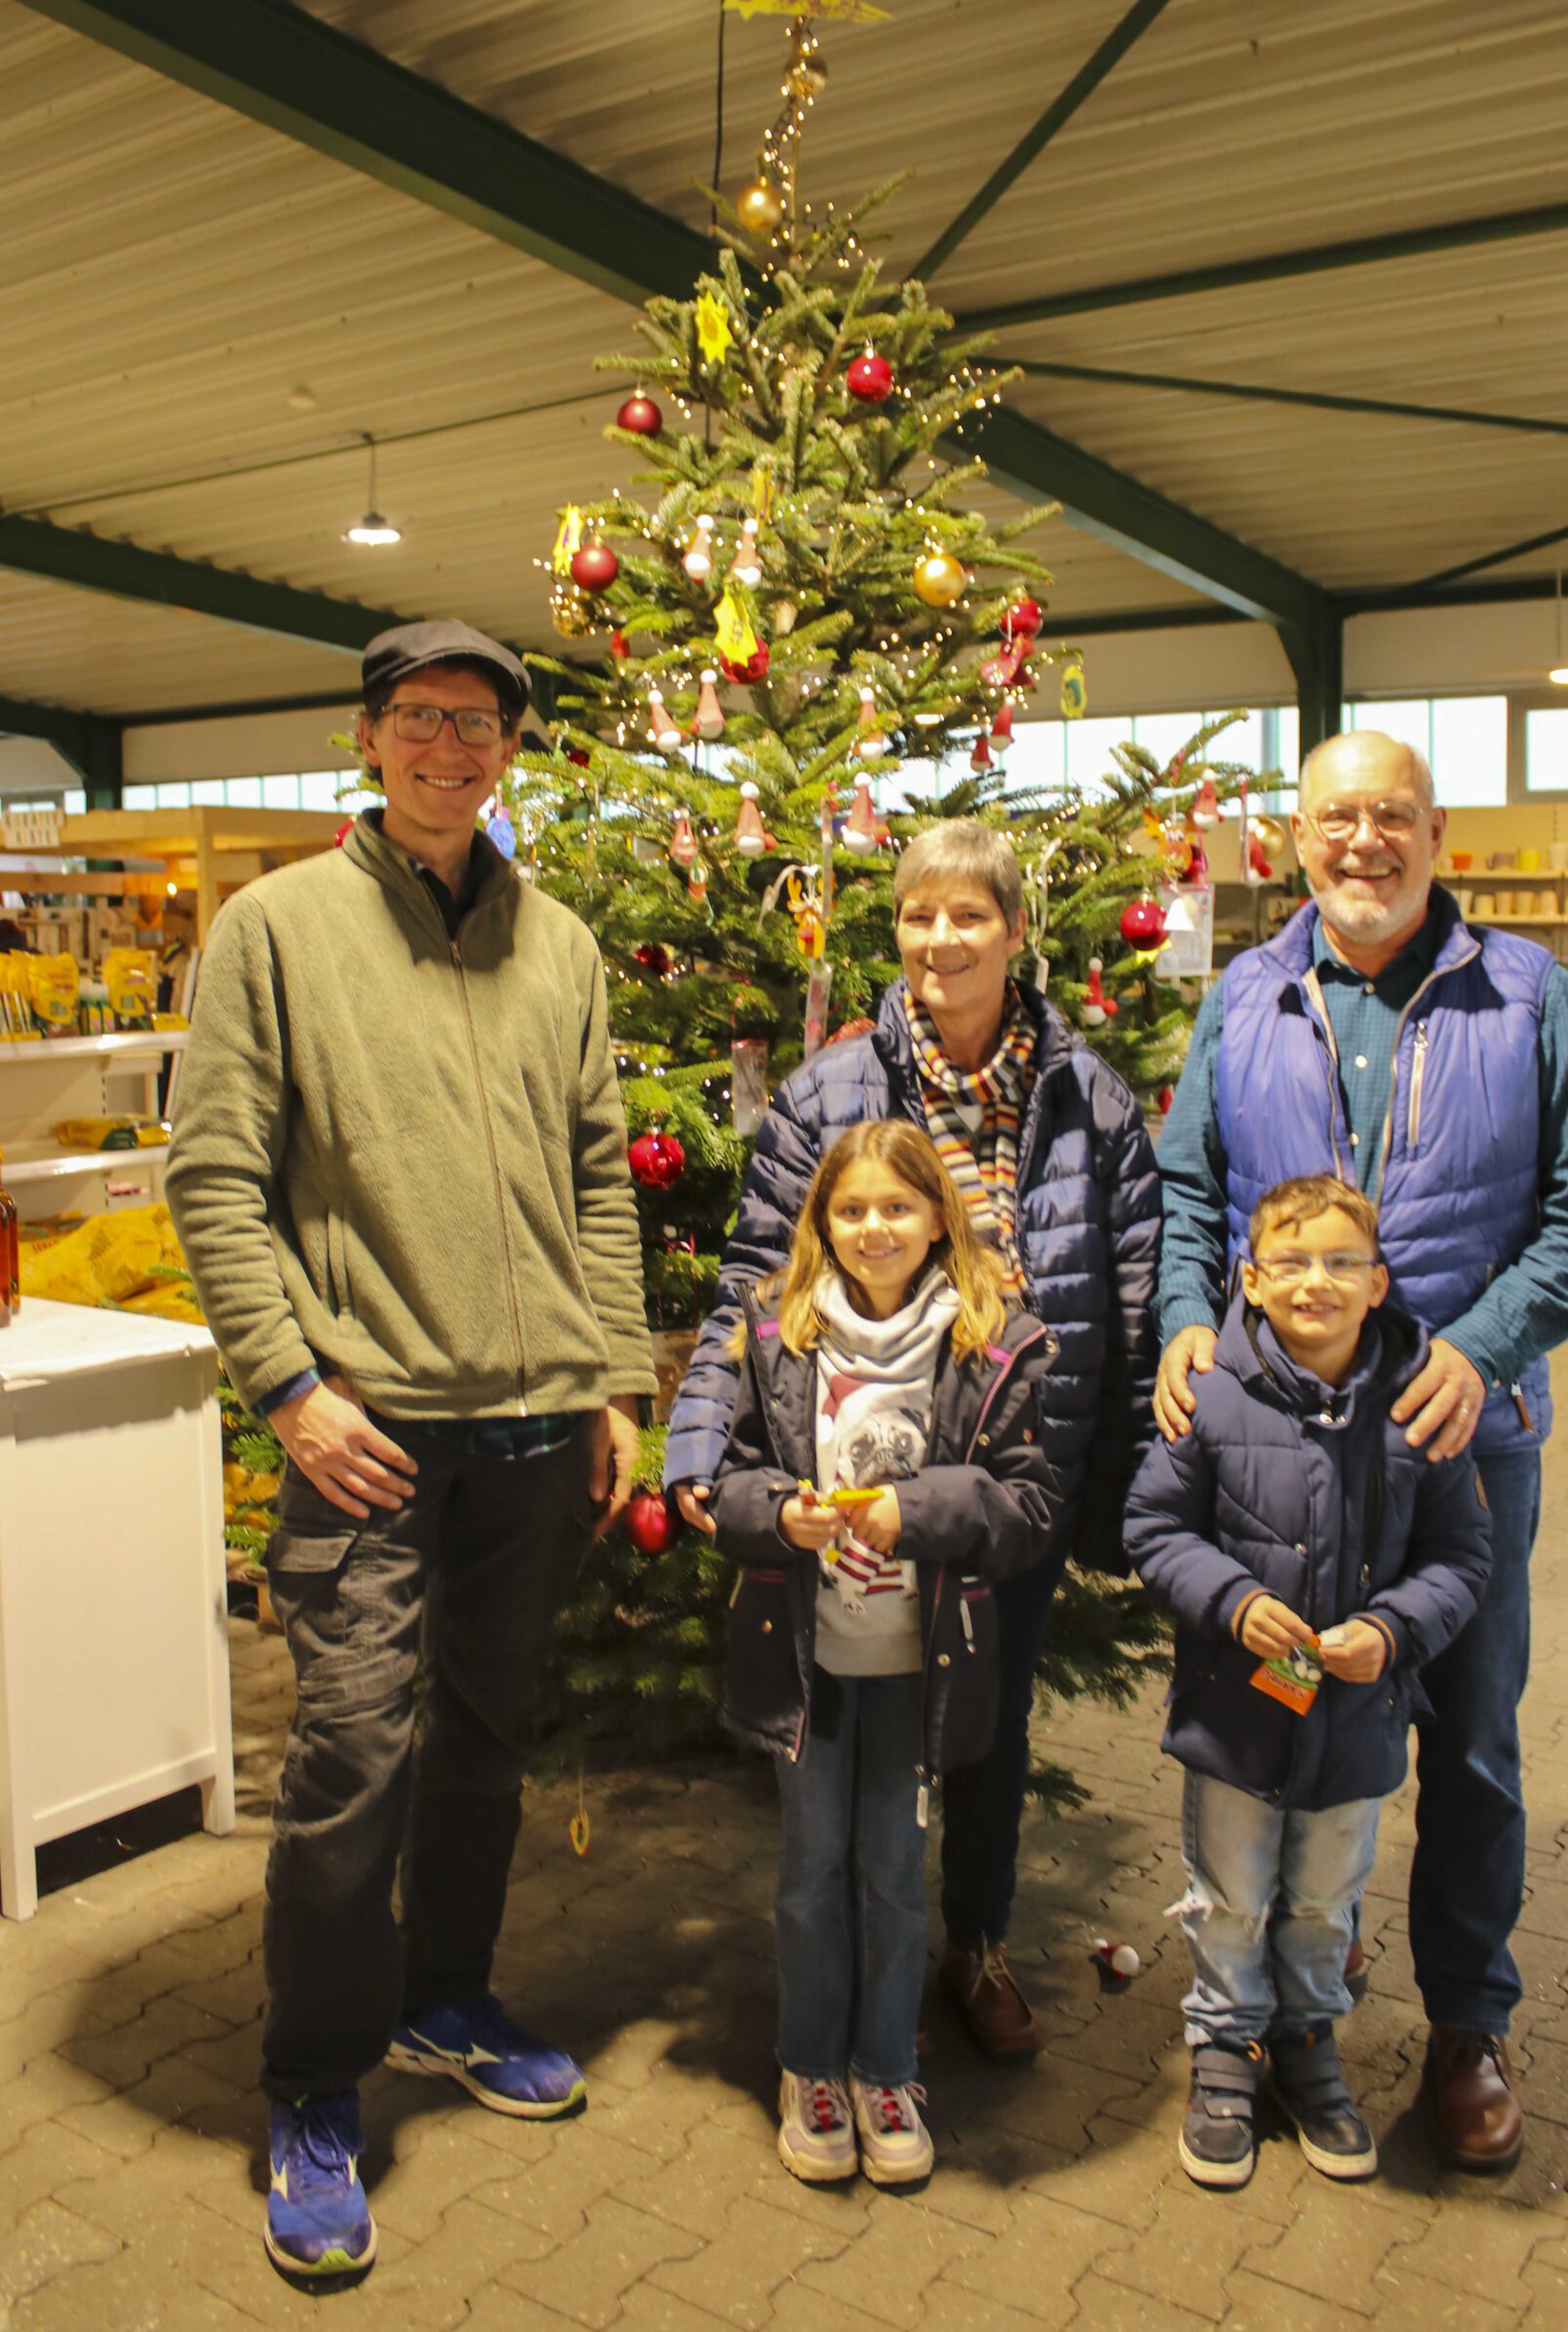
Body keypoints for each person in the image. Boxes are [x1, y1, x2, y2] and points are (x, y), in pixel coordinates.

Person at [167, 620, 659, 2280]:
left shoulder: (558, 943)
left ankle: (443, 1998)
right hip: (363, 1429)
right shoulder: (275, 929)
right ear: (369, 737)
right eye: (421, 719)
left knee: (484, 1742)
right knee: (351, 1759)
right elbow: (215, 1177)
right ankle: (313, 2083)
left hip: (534, 1424)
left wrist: (610, 1378)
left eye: (479, 724)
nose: (451, 748)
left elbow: (598, 1174)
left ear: (510, 751)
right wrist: (291, 1388)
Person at [1153, 729, 1568, 2169]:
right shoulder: (1246, 997)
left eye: (1393, 816)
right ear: (1297, 839)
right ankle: (1296, 1992)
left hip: (1458, 1444)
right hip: (1274, 1446)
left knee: (1469, 1742)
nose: (1365, 840)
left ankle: (1470, 2023)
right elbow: (1187, 1190)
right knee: (1292, 1713)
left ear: (1436, 835)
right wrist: (1186, 1317)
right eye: (1337, 817)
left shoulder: (1525, 995)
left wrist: (1472, 1352)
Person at [666, 821, 1158, 2058]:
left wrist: (1140, 1477)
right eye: (918, 915)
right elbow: (752, 1279)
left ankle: (974, 1942)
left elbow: (1138, 1287)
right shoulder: (830, 1090)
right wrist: (697, 1443)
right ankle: (840, 1967)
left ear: (1016, 931)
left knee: (989, 1719)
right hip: (846, 1460)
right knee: (842, 1723)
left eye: (969, 914)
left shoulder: (1088, 1095)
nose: (943, 939)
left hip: (1012, 1466)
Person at [711, 1120, 1063, 2188]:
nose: (874, 1228)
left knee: (896, 1872)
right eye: (852, 1209)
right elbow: (729, 1481)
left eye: (897, 1207)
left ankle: (884, 2067)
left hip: (917, 1663)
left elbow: (1027, 1505)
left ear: (938, 1220)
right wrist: (778, 1514)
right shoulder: (776, 1333)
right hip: (809, 1664)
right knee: (811, 1868)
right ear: (821, 1222)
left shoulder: (992, 1343)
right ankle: (811, 2064)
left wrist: (917, 1511)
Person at [1126, 1176, 1490, 2190]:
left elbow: (1463, 1554)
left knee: (1326, 1899)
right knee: (1230, 1895)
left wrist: (1394, 1628)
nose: (1313, 1282)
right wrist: (1233, 1602)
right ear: (1250, 1278)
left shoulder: (1418, 1403)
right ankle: (1224, 2045)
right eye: (1289, 1262)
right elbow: (1152, 1527)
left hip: (1358, 1721)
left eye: (1340, 1262)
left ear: (1378, 1282)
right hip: (1236, 1718)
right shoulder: (1211, 1391)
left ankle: (1306, 2040)